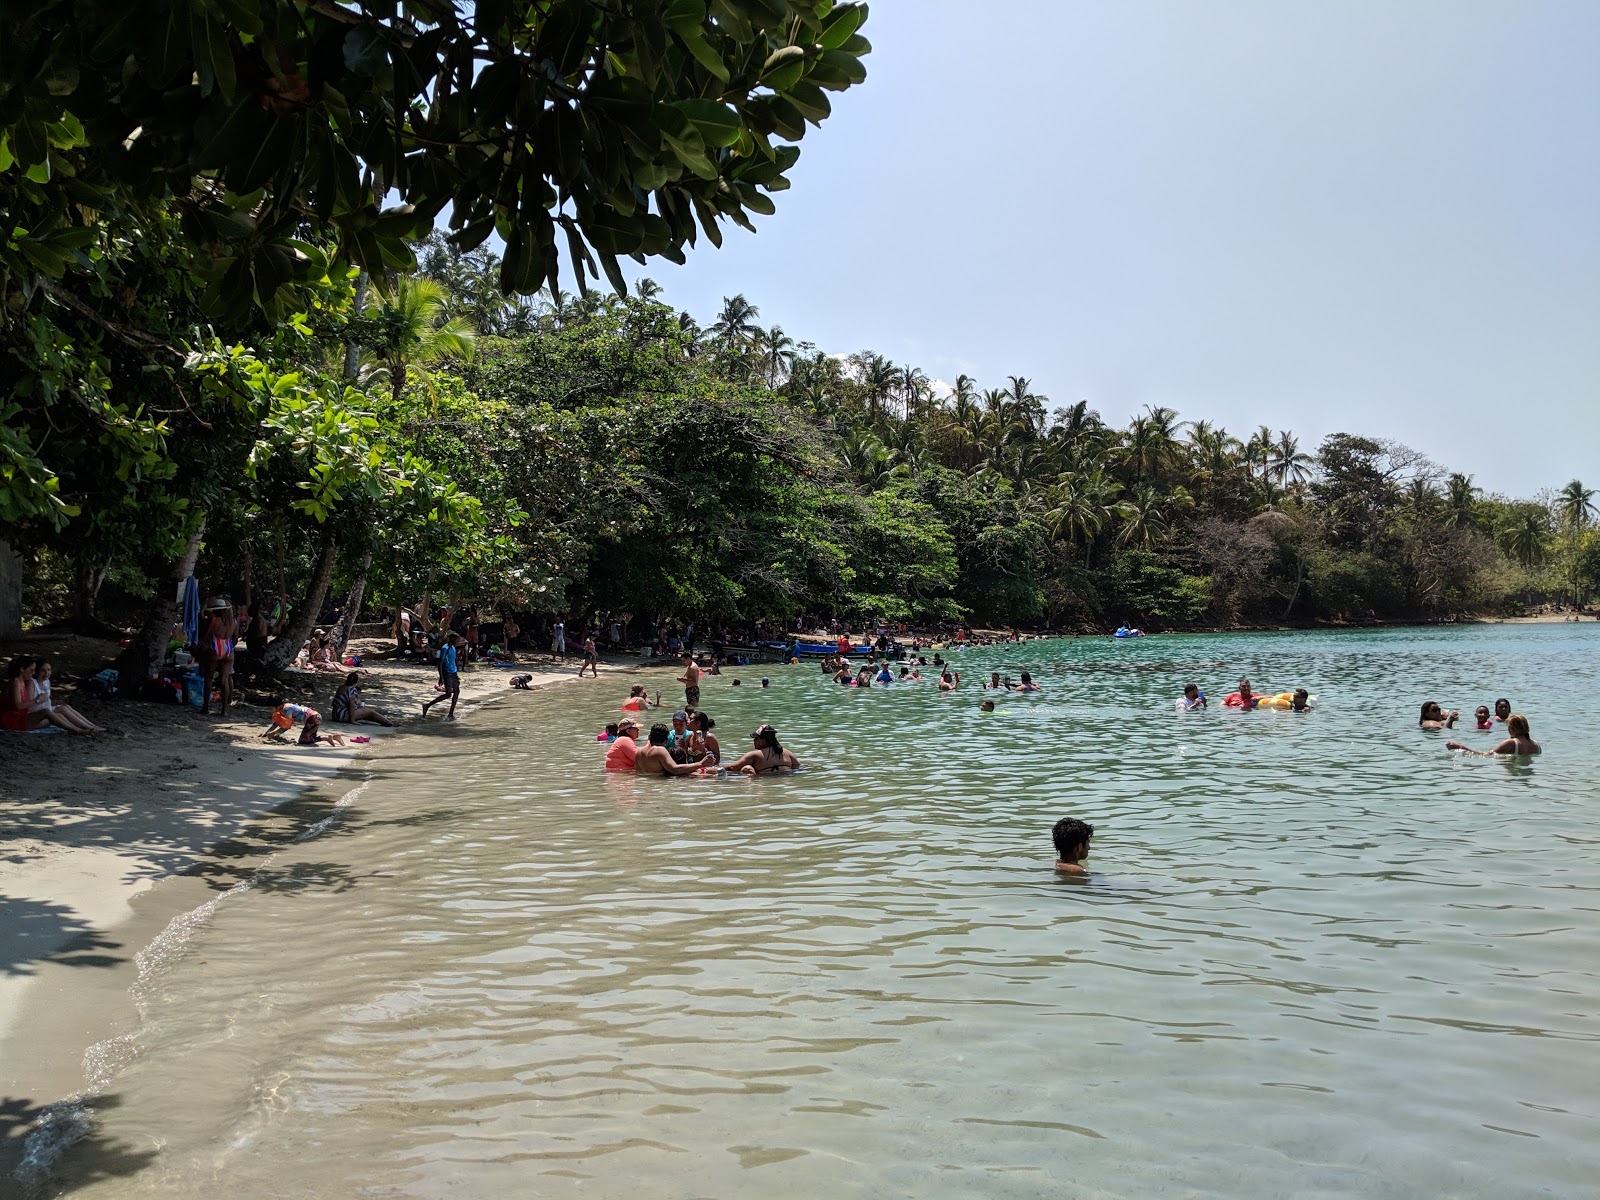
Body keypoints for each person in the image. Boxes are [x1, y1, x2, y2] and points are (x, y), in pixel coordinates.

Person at [194, 595, 237, 715]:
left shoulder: (213, 620)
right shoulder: (233, 621)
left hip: (215, 648)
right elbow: (235, 639)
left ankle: (206, 707)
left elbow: (206, 634)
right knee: (224, 679)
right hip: (228, 649)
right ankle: (224, 710)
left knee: (208, 678)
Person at [636, 723, 716, 776]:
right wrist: (701, 763)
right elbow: (675, 769)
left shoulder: (639, 752)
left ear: (649, 737)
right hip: (660, 786)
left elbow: (637, 772)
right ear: (666, 740)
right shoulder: (660, 750)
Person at [723, 724, 802, 776]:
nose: (754, 741)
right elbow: (797, 766)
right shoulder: (786, 752)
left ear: (763, 741)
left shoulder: (754, 755)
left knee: (746, 769)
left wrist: (714, 768)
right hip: (784, 782)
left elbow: (732, 768)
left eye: (756, 738)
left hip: (762, 783)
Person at [1448, 714, 1540, 756]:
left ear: (1512, 728)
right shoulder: (1536, 744)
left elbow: (1486, 755)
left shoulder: (1511, 743)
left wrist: (1460, 747)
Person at [331, 673, 396, 726]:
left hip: (336, 714)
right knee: (370, 711)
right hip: (343, 715)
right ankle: (390, 723)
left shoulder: (341, 687)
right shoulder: (352, 690)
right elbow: (352, 706)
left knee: (367, 714)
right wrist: (353, 721)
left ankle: (385, 722)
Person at [422, 633, 462, 719]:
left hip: (453, 673)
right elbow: (440, 663)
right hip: (447, 673)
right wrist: (441, 677)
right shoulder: (445, 648)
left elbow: (454, 659)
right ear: (452, 639)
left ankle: (451, 714)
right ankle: (427, 705)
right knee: (448, 694)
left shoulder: (453, 648)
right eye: (456, 640)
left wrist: (457, 668)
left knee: (456, 691)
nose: (458, 642)